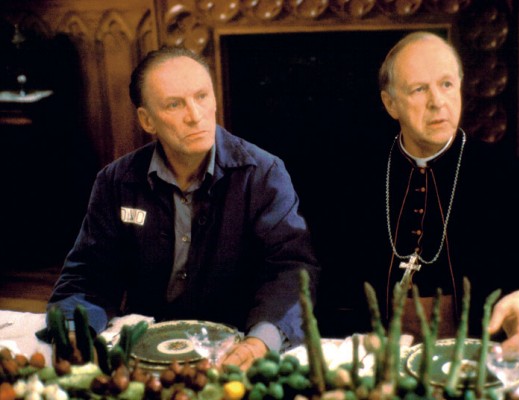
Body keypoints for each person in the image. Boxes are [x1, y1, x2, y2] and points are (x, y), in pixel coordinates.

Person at [46, 46, 319, 369]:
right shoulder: (115, 181)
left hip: (234, 352)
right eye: (174, 104)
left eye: (202, 96)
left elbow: (291, 271)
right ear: (147, 120)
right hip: (144, 353)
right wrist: (74, 330)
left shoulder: (264, 174)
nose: (195, 115)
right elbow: (87, 275)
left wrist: (260, 342)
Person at [341, 31, 519, 355]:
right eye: (419, 89)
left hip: (479, 365)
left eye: (446, 84)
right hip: (378, 365)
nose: (437, 101)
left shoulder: (508, 176)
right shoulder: (356, 181)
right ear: (390, 103)